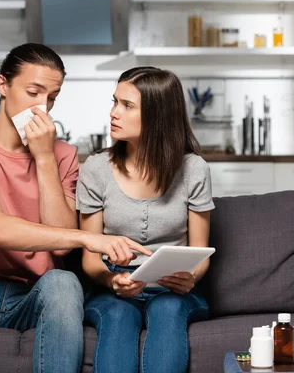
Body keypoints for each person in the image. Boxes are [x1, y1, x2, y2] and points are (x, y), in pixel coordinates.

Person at [0, 43, 151, 373]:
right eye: (33, 92)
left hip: (37, 291)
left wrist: (45, 157)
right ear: (2, 85)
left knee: (64, 283)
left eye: (52, 98)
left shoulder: (61, 155)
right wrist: (89, 239)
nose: (42, 107)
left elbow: (61, 233)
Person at [77, 66, 215, 373]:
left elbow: (200, 253)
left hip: (173, 287)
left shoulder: (194, 169)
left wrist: (191, 277)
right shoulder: (96, 169)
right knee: (117, 315)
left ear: (157, 115)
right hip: (114, 281)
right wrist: (113, 280)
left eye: (127, 106)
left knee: (167, 309)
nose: (114, 112)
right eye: (115, 102)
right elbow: (90, 258)